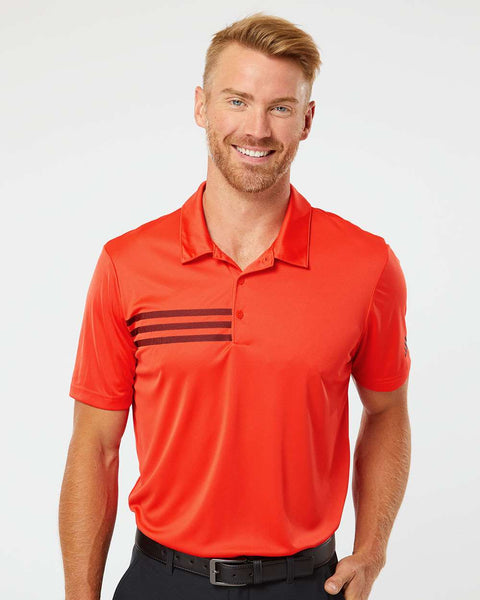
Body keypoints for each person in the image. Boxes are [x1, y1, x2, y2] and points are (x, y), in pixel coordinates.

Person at [59, 12, 411, 600]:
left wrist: (372, 549)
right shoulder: (127, 263)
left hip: (308, 584)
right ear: (201, 106)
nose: (257, 129)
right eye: (237, 101)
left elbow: (388, 410)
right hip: (162, 582)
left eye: (280, 107)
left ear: (307, 120)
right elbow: (95, 447)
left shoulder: (367, 265)